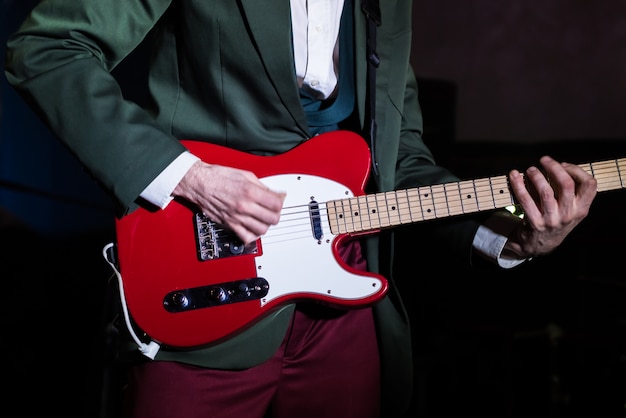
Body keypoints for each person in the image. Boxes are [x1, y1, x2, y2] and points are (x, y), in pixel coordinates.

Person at [4, 1, 598, 417]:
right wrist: (192, 178)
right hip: (208, 297)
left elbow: (400, 156)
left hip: (344, 320)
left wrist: (506, 238)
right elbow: (48, 47)